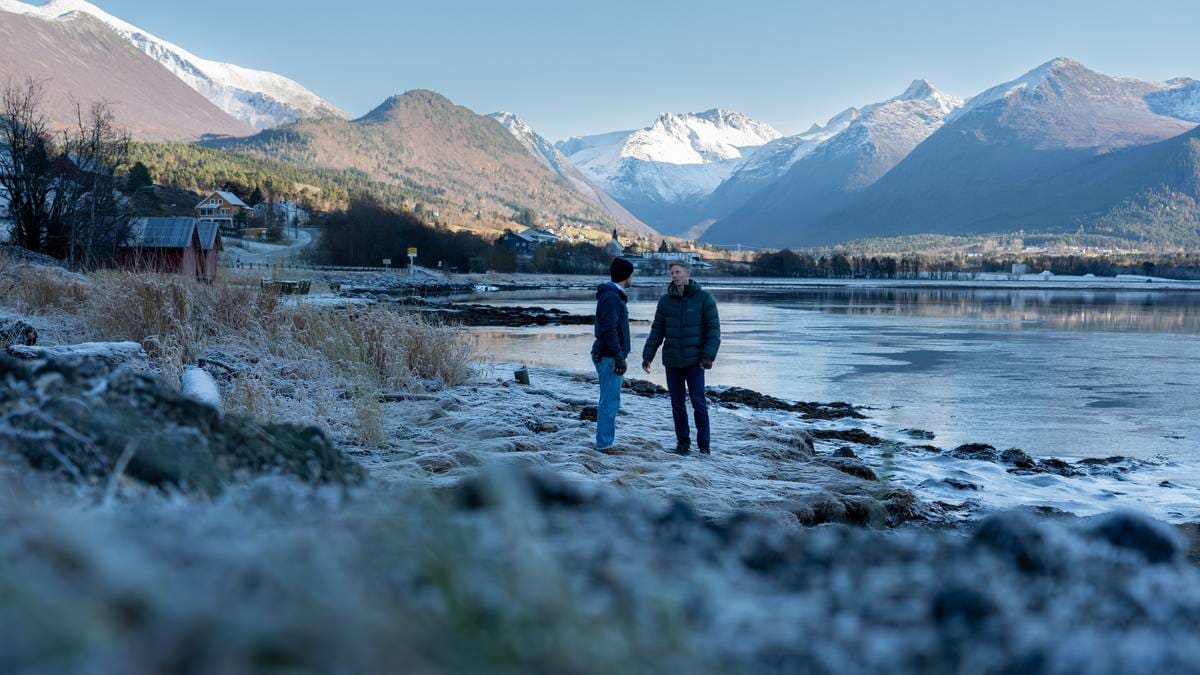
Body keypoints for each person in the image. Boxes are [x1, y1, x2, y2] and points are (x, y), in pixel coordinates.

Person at [641, 261, 720, 455]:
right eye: (672, 273)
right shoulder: (665, 301)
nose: (674, 276)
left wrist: (708, 356)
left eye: (677, 272)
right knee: (677, 404)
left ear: (687, 273)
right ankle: (683, 444)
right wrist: (648, 355)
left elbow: (714, 331)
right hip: (672, 361)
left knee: (698, 403)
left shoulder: (704, 299)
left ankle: (704, 446)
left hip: (695, 361)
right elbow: (657, 331)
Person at [591, 257, 634, 452]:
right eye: (632, 275)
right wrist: (619, 356)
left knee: (609, 400)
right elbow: (609, 329)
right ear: (626, 276)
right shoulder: (611, 297)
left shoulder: (612, 295)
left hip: (609, 354)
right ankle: (604, 445)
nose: (633, 278)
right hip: (609, 355)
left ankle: (604, 441)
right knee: (610, 401)